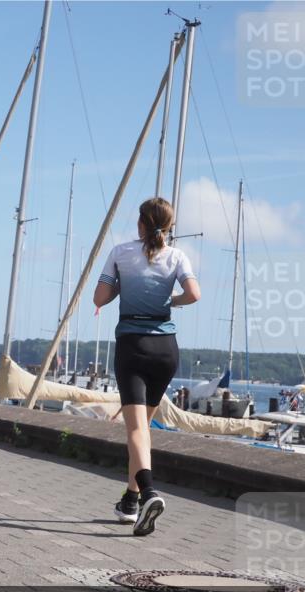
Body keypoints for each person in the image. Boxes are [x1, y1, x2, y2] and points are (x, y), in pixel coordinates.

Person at [94, 197, 200, 536]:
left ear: (141, 223)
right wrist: (170, 301)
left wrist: (123, 285)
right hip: (166, 350)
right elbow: (194, 294)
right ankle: (130, 501)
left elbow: (99, 298)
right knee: (142, 430)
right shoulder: (177, 256)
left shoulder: (121, 253)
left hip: (133, 347)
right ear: (168, 227)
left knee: (136, 430)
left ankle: (150, 493)